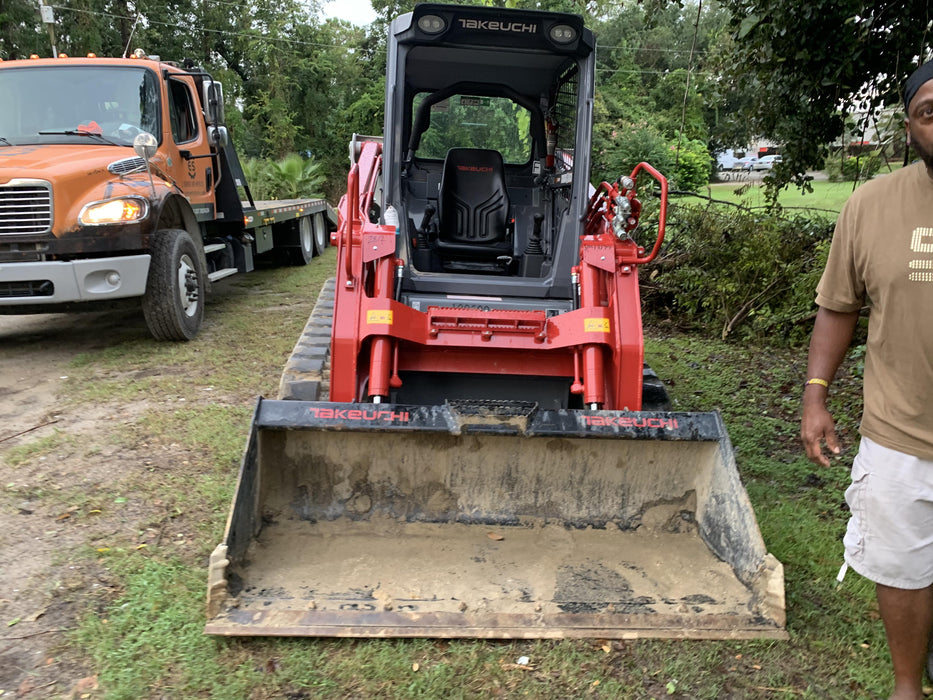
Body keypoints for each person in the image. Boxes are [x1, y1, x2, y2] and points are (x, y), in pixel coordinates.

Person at [801, 59, 933, 700]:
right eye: (929, 111)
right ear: (909, 127)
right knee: (903, 568)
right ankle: (907, 685)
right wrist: (815, 395)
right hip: (899, 432)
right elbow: (837, 308)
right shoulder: (871, 205)